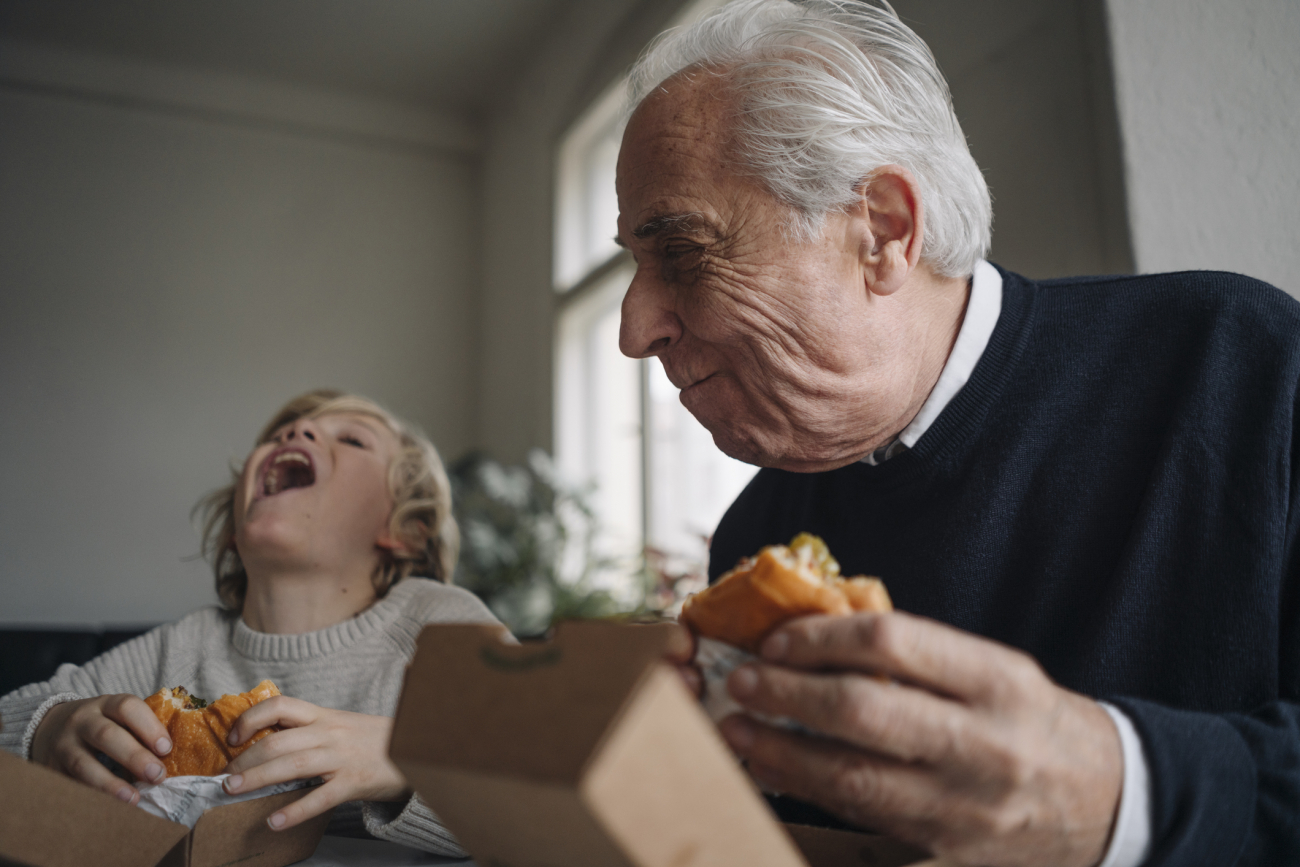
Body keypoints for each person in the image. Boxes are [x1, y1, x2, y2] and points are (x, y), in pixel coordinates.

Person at [617, 2, 1299, 865]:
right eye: (633, 268)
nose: (635, 329)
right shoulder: (756, 537)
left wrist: (1123, 792)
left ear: (885, 232)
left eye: (681, 253)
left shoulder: (1243, 370)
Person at [0, 389, 498, 856]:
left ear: (406, 530)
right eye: (280, 433)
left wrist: (405, 757)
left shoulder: (434, 621)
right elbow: (14, 718)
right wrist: (47, 729)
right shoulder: (182, 647)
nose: (296, 432)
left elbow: (546, 774)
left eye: (351, 439)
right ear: (235, 535)